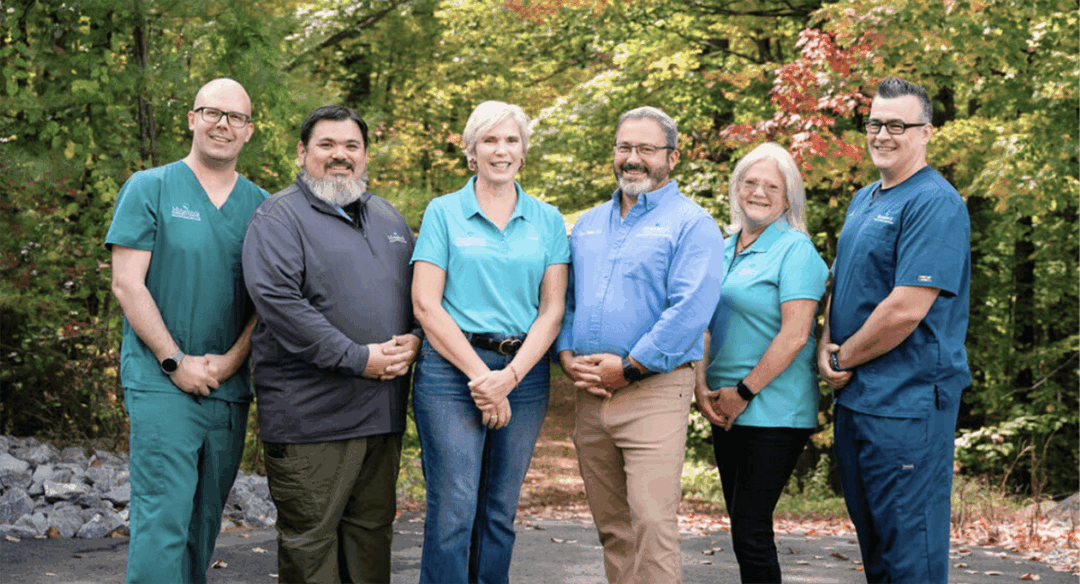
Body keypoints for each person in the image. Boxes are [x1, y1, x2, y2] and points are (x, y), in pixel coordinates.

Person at [241, 105, 421, 583]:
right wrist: (358, 358)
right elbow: (279, 303)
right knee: (311, 548)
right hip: (311, 421)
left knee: (370, 540)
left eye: (351, 146)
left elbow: (422, 295)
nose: (339, 155)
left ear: (364, 156)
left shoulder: (388, 217)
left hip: (380, 415)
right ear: (303, 153)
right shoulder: (278, 217)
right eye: (327, 145)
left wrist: (417, 340)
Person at [106, 78, 267, 583]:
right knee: (164, 519)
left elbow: (267, 302)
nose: (223, 124)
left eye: (235, 117)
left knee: (203, 523)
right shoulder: (149, 187)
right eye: (212, 112)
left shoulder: (263, 206)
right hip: (161, 382)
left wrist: (233, 360)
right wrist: (174, 361)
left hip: (227, 386)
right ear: (192, 119)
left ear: (249, 132)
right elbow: (127, 284)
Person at [555, 106, 725, 584]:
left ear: (671, 156)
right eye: (625, 148)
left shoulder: (693, 225)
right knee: (612, 528)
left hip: (653, 391)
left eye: (646, 149)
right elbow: (567, 301)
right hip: (589, 394)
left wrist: (629, 367)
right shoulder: (587, 224)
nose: (634, 159)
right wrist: (567, 357)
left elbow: (691, 310)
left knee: (652, 523)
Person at [817, 77, 971, 583]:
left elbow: (906, 308)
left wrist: (843, 358)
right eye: (875, 124)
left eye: (898, 125)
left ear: (927, 132)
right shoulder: (865, 198)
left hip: (907, 407)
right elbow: (840, 281)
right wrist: (824, 344)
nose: (883, 134)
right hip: (859, 402)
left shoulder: (935, 202)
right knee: (878, 551)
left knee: (911, 557)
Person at [410, 100, 569, 584]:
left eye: (511, 140)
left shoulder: (547, 220)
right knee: (454, 509)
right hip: (450, 371)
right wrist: (483, 378)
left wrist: (510, 377)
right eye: (489, 140)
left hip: (523, 371)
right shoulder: (443, 212)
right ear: (470, 151)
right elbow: (426, 305)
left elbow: (553, 309)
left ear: (524, 150)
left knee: (500, 510)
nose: (501, 150)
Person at [694, 142, 828, 583]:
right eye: (750, 182)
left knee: (750, 530)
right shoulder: (722, 246)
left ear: (789, 198)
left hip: (772, 408)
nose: (759, 192)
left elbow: (795, 334)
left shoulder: (796, 251)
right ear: (736, 188)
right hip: (724, 403)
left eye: (773, 185)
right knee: (743, 529)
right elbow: (702, 324)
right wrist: (701, 387)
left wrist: (744, 392)